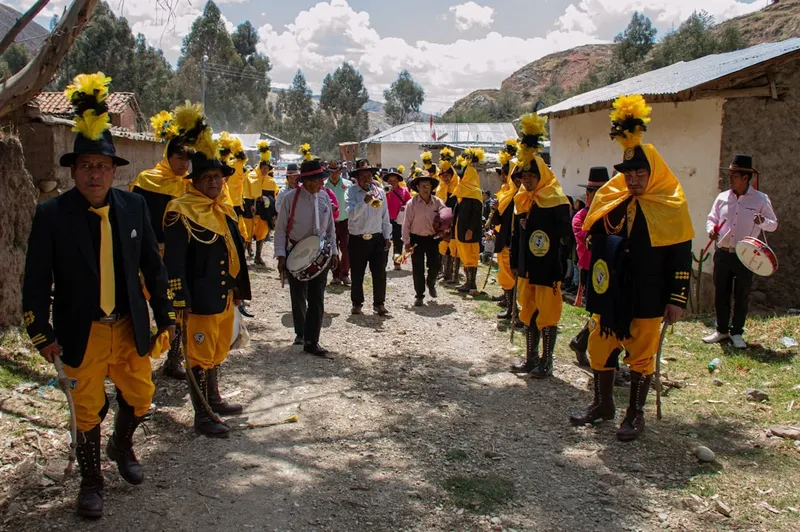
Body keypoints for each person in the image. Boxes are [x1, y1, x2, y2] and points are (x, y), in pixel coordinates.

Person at [22, 73, 175, 519]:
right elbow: (34, 282)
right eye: (87, 166)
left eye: (102, 167)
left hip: (128, 326)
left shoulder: (133, 208)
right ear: (73, 170)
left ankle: (121, 443)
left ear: (114, 171)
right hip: (79, 330)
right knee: (85, 409)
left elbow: (153, 265)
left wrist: (164, 315)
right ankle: (91, 483)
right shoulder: (51, 215)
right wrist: (40, 333)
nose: (94, 174)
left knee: (142, 396)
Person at [569, 95, 693, 442]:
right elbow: (594, 233)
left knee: (641, 355)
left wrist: (677, 299)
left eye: (640, 172)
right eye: (628, 173)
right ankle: (602, 404)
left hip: (648, 294)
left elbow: (682, 257)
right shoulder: (613, 201)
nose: (634, 179)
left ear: (653, 173)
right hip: (612, 292)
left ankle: (634, 415)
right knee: (598, 346)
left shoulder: (671, 206)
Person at [162, 113, 251, 440]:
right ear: (194, 181)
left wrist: (239, 288)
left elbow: (235, 253)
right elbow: (174, 263)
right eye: (208, 178)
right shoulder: (180, 210)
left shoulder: (222, 209)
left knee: (215, 351)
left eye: (218, 177)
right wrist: (179, 300)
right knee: (198, 356)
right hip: (197, 300)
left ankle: (214, 399)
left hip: (223, 295)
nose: (214, 183)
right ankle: (202, 414)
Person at [508, 114, 572, 379]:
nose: (527, 180)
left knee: (547, 315)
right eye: (523, 176)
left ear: (542, 174)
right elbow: (515, 235)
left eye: (532, 175)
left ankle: (547, 361)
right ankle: (531, 357)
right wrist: (514, 262)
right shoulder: (522, 200)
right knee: (528, 312)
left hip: (548, 269)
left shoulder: (557, 200)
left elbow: (566, 237)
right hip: (526, 266)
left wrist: (560, 266)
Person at [130, 107, 190, 380]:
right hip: (151, 255)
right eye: (180, 157)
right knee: (145, 303)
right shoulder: (146, 181)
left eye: (189, 159)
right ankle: (138, 352)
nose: (184, 164)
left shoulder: (187, 186)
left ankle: (173, 357)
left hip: (178, 257)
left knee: (179, 305)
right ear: (168, 155)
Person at [703, 155, 778, 349]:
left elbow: (773, 224)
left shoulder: (761, 199)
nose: (730, 178)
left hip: (746, 255)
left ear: (746, 177)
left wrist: (762, 222)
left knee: (742, 294)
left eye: (735, 175)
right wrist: (711, 229)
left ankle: (737, 333)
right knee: (721, 292)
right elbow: (711, 218)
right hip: (723, 252)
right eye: (730, 174)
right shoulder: (722, 198)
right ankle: (721, 330)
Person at [274, 158, 339, 356]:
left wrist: (334, 251)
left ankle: (312, 340)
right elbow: (280, 230)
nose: (322, 183)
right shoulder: (290, 199)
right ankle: (300, 332)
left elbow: (330, 228)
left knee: (317, 298)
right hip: (296, 252)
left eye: (322, 179)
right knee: (298, 294)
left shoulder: (325, 197)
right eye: (318, 179)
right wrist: (281, 255)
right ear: (307, 181)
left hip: (320, 253)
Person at [569, 167, 610, 367]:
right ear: (588, 194)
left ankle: (581, 342)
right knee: (599, 312)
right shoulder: (580, 218)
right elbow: (588, 242)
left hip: (611, 268)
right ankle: (588, 346)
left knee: (604, 312)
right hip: (591, 270)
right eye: (595, 193)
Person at [346, 161, 392, 316]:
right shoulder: (351, 192)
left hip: (377, 238)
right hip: (357, 239)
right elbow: (351, 215)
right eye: (362, 175)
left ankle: (379, 304)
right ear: (357, 178)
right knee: (357, 273)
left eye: (369, 175)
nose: (366, 178)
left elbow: (385, 216)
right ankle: (357, 304)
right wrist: (364, 202)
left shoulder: (380, 192)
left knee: (379, 272)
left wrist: (387, 236)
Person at [403, 172, 447, 306]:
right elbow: (406, 224)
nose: (425, 188)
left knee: (436, 265)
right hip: (416, 240)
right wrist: (406, 242)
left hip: (433, 239)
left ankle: (431, 282)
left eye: (428, 185)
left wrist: (444, 230)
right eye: (423, 185)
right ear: (417, 187)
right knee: (418, 268)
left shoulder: (438, 202)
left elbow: (446, 218)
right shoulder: (412, 203)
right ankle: (419, 295)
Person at [490, 140, 520, 320]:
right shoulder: (507, 194)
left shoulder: (521, 196)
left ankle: (516, 310)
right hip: (504, 241)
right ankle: (510, 308)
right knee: (506, 276)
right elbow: (499, 219)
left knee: (514, 277)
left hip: (513, 242)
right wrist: (495, 209)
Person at [453, 148, 486, 294]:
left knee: (471, 255)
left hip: (469, 231)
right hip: (462, 229)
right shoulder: (464, 191)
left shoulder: (474, 192)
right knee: (465, 255)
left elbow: (477, 215)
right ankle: (468, 282)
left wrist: (470, 230)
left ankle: (472, 284)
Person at [243, 141, 277, 266]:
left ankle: (258, 256)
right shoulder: (250, 176)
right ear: (259, 167)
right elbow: (246, 193)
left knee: (261, 234)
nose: (264, 170)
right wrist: (250, 204)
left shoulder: (270, 181)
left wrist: (266, 200)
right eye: (263, 168)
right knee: (247, 233)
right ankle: (244, 255)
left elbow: (272, 197)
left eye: (267, 168)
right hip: (251, 209)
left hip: (263, 211)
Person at [325, 160, 353, 285]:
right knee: (332, 248)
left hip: (345, 221)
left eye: (336, 171)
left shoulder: (348, 185)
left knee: (346, 248)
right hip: (329, 222)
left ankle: (345, 274)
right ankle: (335, 275)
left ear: (340, 171)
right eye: (331, 172)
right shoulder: (324, 185)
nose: (334, 174)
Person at [436, 149, 460, 284]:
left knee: (454, 248)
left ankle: (454, 275)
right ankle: (445, 272)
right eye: (442, 175)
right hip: (443, 221)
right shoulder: (440, 188)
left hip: (455, 221)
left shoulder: (457, 187)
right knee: (443, 245)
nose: (445, 177)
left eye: (447, 175)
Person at [385, 168, 412, 269]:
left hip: (398, 220)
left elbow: (410, 203)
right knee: (384, 241)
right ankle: (383, 263)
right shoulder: (383, 191)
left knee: (398, 242)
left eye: (394, 181)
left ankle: (397, 262)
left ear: (398, 181)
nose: (392, 183)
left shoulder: (404, 191)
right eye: (390, 181)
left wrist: (404, 207)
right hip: (385, 220)